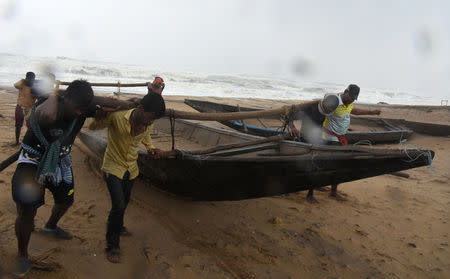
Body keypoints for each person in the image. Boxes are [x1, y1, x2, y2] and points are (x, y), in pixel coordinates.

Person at [11, 80, 95, 277]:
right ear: (65, 98)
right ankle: (22, 254)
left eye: (84, 109)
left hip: (60, 161)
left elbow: (105, 106)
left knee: (67, 200)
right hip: (33, 159)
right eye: (77, 108)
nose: (80, 113)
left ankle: (50, 226)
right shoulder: (45, 107)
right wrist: (54, 96)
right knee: (26, 211)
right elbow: (41, 114)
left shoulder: (81, 109)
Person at [89, 92, 166, 264]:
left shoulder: (148, 123)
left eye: (154, 119)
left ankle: (119, 225)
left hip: (131, 168)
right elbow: (94, 127)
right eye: (150, 117)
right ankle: (112, 244)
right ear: (140, 109)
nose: (151, 122)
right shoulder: (117, 117)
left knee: (125, 200)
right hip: (112, 166)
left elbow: (146, 137)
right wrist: (101, 113)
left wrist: (151, 147)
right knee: (118, 205)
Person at [289, 84, 381, 202]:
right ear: (345, 92)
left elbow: (354, 110)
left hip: (339, 139)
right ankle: (310, 193)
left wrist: (371, 112)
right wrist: (295, 127)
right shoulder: (333, 102)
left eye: (354, 98)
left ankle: (332, 191)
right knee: (317, 164)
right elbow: (314, 112)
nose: (351, 100)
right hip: (326, 138)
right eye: (350, 97)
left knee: (337, 165)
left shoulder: (350, 103)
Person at [13, 72, 37, 146]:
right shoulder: (22, 84)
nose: (30, 80)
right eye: (29, 79)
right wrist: (22, 80)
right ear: (26, 78)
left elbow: (37, 96)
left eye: (32, 79)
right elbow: (15, 85)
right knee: (18, 125)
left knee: (30, 127)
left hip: (30, 109)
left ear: (34, 79)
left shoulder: (35, 87)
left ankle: (28, 142)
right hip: (20, 106)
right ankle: (17, 142)